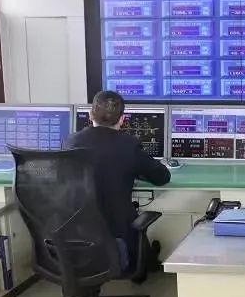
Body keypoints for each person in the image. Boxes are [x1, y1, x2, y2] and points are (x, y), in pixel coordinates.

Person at [64, 91, 171, 275]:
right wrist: (136, 170)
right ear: (122, 119)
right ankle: (144, 264)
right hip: (118, 240)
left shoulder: (70, 142)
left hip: (77, 238)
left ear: (90, 115)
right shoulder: (128, 145)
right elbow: (162, 177)